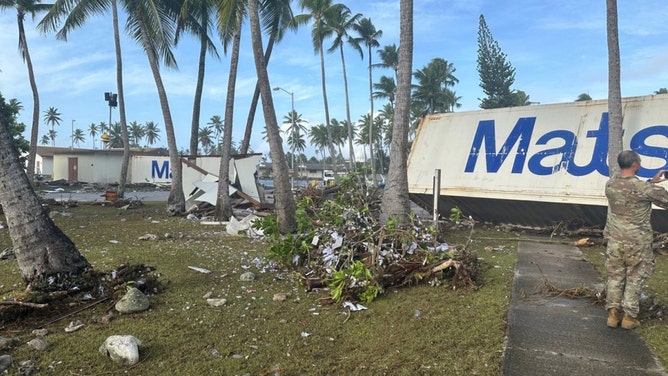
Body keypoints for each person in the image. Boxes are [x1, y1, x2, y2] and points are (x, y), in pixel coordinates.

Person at [605, 150, 668, 329]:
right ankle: (629, 317)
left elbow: (630, 193)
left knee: (615, 277)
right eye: (639, 163)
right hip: (637, 243)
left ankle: (612, 315)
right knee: (635, 277)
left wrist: (650, 182)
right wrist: (654, 185)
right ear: (634, 164)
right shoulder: (644, 189)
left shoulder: (610, 185)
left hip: (615, 241)